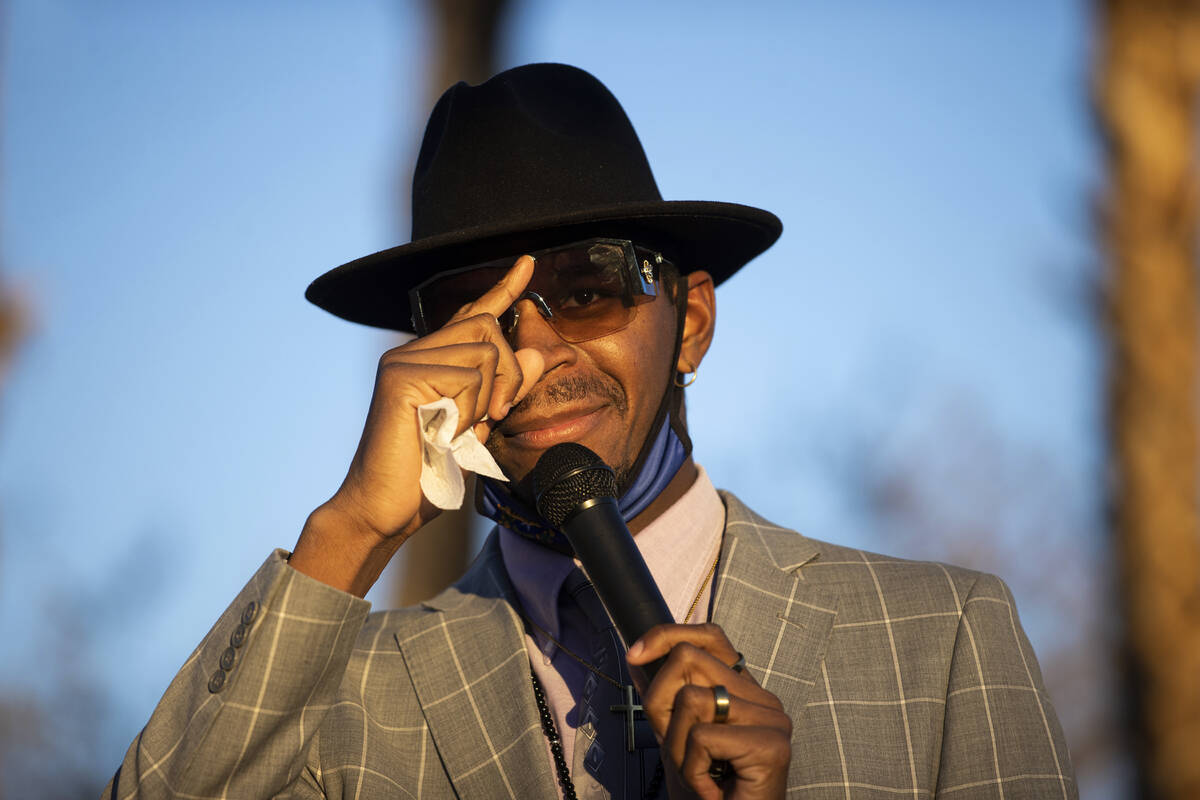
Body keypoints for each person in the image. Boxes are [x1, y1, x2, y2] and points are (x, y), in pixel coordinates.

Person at [105, 63, 1076, 800]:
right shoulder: (338, 703)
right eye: (471, 315)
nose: (530, 355)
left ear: (690, 318)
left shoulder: (941, 637)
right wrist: (352, 525)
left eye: (586, 287)